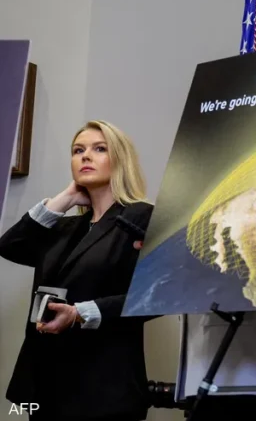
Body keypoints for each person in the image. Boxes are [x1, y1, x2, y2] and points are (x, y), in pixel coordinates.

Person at [0, 120, 152, 421]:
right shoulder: (66, 226)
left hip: (102, 387)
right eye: (78, 150)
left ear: (120, 159)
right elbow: (9, 247)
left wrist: (82, 312)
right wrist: (66, 199)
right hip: (43, 385)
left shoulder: (141, 218)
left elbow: (155, 294)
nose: (86, 156)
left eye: (99, 149)